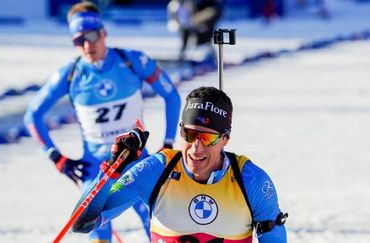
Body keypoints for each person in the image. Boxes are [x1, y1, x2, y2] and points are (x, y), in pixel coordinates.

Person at [24, 1, 181, 242]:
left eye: (92, 36)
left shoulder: (132, 61)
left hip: (138, 163)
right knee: (95, 229)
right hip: (98, 169)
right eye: (79, 40)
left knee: (159, 229)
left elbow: (171, 95)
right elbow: (32, 116)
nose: (87, 45)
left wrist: (168, 142)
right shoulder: (70, 74)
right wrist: (56, 157)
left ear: (103, 33)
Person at [72, 86, 288, 242]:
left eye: (206, 138)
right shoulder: (156, 170)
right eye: (189, 134)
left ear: (225, 139)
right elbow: (82, 223)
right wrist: (111, 170)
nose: (196, 147)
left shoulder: (251, 181)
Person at [167, 0, 222, 66]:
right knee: (187, 38)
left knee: (207, 39)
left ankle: (214, 59)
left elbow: (214, 11)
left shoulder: (210, 9)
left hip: (200, 23)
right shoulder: (179, 4)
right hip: (190, 24)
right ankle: (181, 59)